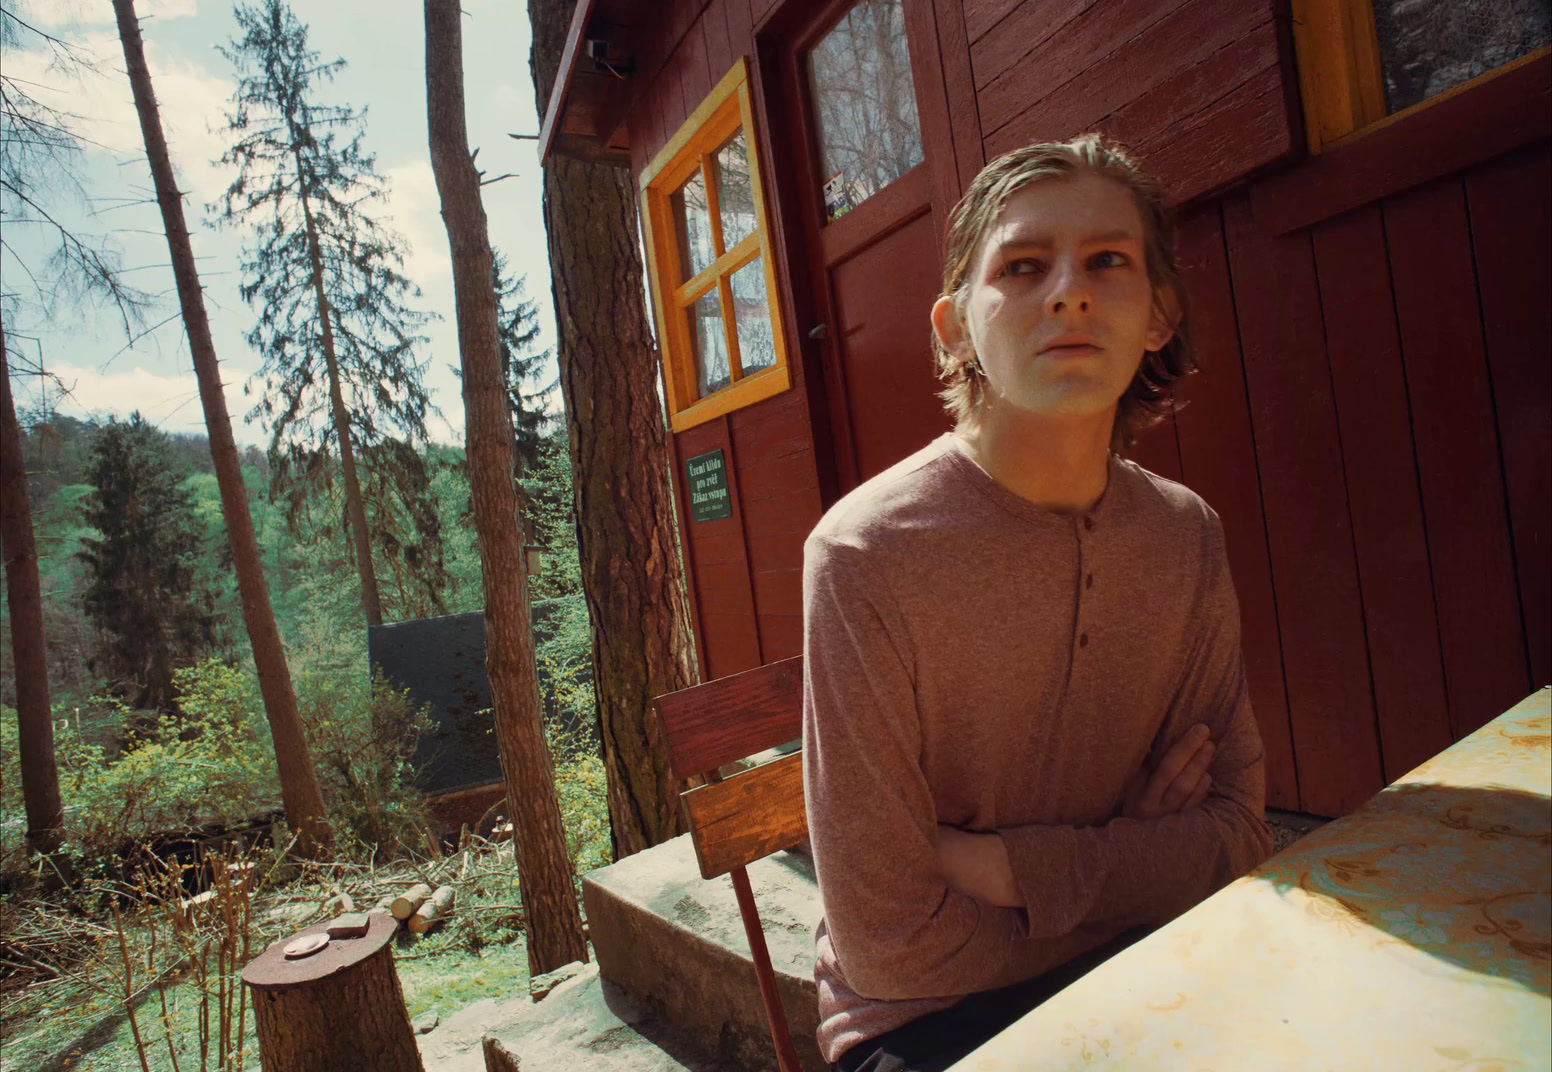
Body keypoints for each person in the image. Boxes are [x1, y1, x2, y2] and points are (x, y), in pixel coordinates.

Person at [800, 134, 1276, 1072]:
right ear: (954, 327)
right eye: (1022, 266)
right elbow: (889, 943)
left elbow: (1236, 836)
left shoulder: (1187, 535)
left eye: (1109, 260)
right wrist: (1137, 861)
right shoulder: (864, 557)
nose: (1069, 290)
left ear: (1158, 315)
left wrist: (1001, 868)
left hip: (1155, 959)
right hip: (924, 1019)